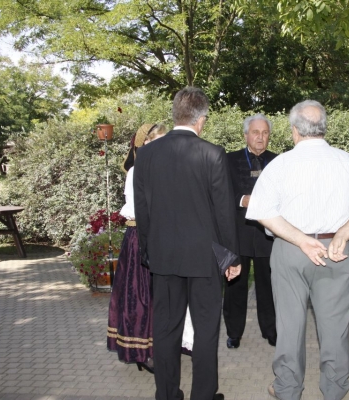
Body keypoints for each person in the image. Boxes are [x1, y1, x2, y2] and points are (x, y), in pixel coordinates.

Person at [246, 100, 349, 400]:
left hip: (290, 249)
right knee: (335, 327)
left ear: (295, 130)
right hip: (335, 250)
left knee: (289, 325)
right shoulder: (348, 162)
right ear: (324, 128)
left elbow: (261, 211)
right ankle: (334, 390)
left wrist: (301, 239)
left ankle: (287, 388)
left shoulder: (280, 164)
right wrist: (343, 233)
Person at [134, 87, 241, 400]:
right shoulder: (213, 153)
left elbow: (142, 211)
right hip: (204, 259)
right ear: (201, 119)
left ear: (175, 115)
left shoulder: (146, 154)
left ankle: (167, 394)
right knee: (206, 330)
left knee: (166, 329)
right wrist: (232, 258)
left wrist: (147, 251)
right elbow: (224, 213)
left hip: (163, 257)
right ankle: (203, 395)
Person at [107, 123, 175, 373]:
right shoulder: (136, 172)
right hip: (141, 237)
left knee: (164, 295)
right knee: (140, 296)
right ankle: (141, 351)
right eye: (157, 140)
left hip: (164, 237)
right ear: (144, 144)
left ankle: (164, 346)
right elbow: (138, 207)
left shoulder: (170, 167)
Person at [223, 114, 277, 349]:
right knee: (235, 285)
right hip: (238, 232)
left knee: (269, 285)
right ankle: (234, 332)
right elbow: (221, 192)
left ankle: (271, 330)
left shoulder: (278, 161)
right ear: (246, 135)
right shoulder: (228, 160)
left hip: (269, 234)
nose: (260, 137)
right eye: (255, 132)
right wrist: (242, 199)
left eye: (265, 133)